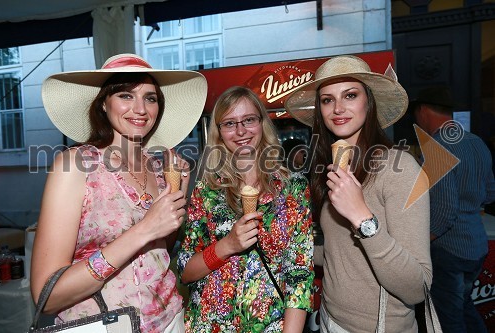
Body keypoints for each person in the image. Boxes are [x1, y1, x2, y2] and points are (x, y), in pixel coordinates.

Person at [30, 53, 207, 332]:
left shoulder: (159, 168)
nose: (140, 109)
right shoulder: (76, 166)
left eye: (150, 98)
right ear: (103, 103)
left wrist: (176, 199)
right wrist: (145, 229)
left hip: (171, 320)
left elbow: (159, 253)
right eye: (126, 95)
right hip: (105, 324)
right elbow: (47, 296)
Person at [285, 55, 432, 333]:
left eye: (350, 95)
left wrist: (362, 217)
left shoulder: (398, 170)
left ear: (369, 101)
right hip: (329, 319)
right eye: (327, 100)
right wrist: (291, 249)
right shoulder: (333, 167)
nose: (337, 108)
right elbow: (341, 252)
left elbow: (417, 288)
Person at [178, 86, 314, 332]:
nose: (241, 131)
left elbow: (300, 275)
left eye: (249, 120)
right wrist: (227, 245)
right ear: (219, 132)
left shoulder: (292, 187)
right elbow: (186, 272)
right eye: (229, 123)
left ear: (262, 123)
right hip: (209, 326)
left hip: (271, 326)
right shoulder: (206, 190)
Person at [412, 85, 495, 333]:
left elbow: (444, 214)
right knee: (465, 308)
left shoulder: (437, 147)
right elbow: (490, 192)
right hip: (476, 245)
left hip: (450, 252)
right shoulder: (476, 142)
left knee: (447, 321)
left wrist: (418, 243)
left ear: (423, 111)